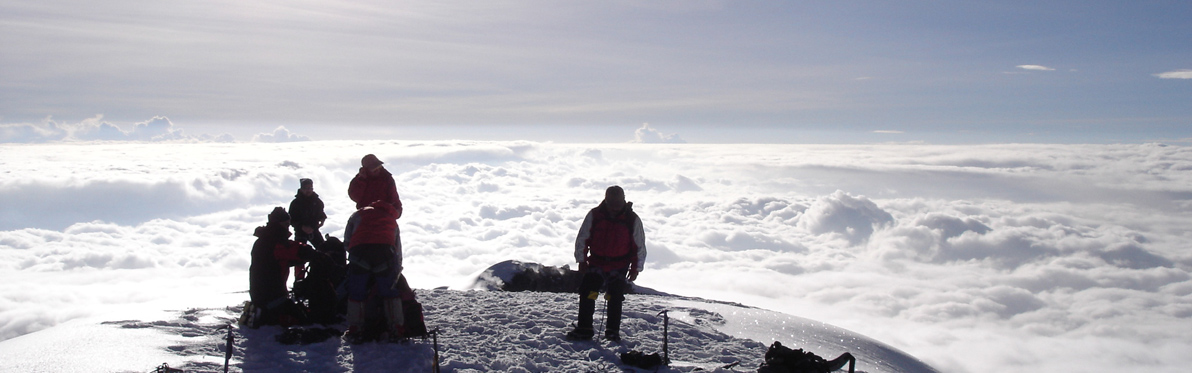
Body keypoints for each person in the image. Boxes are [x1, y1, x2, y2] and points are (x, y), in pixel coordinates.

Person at [567, 186, 647, 341]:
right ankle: (585, 328)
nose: (615, 206)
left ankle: (611, 331)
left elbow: (639, 245)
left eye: (617, 202)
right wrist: (581, 259)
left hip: (619, 264)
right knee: (588, 293)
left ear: (623, 199)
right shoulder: (595, 215)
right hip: (597, 262)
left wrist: (636, 268)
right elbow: (583, 238)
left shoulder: (632, 219)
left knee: (614, 297)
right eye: (612, 202)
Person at [249, 207, 326, 327]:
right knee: (308, 319)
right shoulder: (278, 243)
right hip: (273, 298)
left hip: (259, 296)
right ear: (278, 224)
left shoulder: (262, 242)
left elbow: (282, 260)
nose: (287, 227)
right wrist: (321, 256)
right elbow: (300, 251)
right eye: (286, 224)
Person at [342, 200, 405, 343]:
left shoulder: (357, 215)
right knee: (389, 292)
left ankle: (355, 328)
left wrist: (353, 255)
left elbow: (347, 240)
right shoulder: (391, 220)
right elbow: (397, 248)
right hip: (384, 255)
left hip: (359, 253)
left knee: (357, 292)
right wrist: (397, 268)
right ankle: (396, 328)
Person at [288, 178, 327, 247]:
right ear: (301, 189)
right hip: (300, 232)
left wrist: (322, 220)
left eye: (310, 188)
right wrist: (302, 227)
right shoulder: (295, 203)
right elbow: (291, 219)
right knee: (299, 252)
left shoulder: (317, 201)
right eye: (306, 188)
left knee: (323, 249)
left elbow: (321, 213)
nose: (308, 190)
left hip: (314, 229)